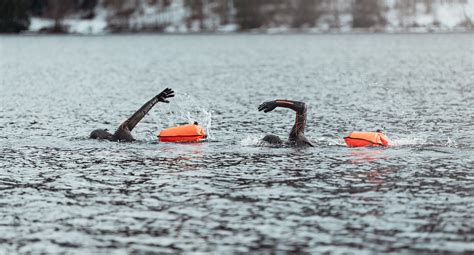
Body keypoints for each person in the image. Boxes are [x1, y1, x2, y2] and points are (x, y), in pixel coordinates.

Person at [90, 88, 175, 142]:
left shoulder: (118, 137)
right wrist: (155, 99)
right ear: (101, 137)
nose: (108, 131)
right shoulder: (120, 132)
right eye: (105, 131)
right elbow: (138, 115)